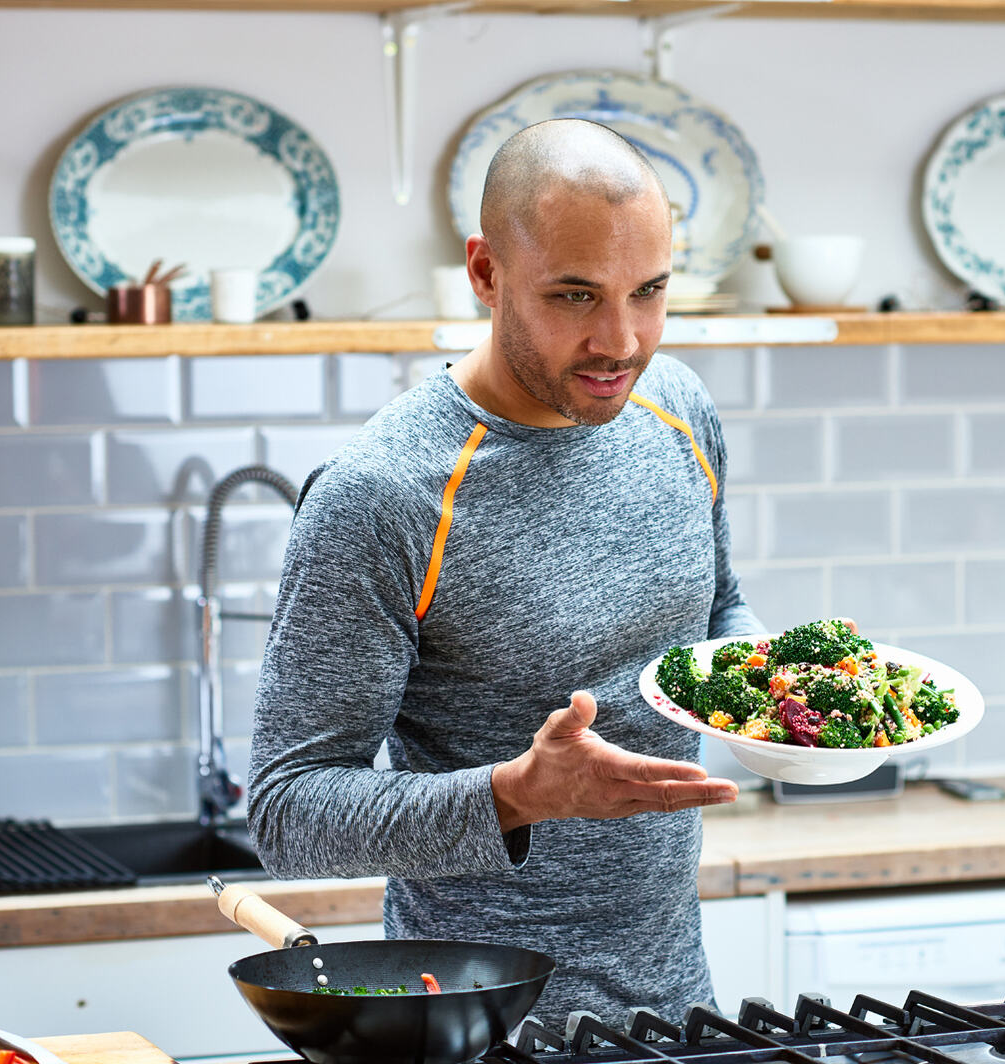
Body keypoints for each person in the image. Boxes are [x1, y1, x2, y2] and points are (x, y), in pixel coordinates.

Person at [247, 117, 763, 1029]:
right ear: (486, 273)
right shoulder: (386, 493)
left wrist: (784, 705)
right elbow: (289, 812)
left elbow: (719, 611)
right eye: (574, 296)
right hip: (475, 1027)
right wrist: (516, 794)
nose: (622, 342)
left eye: (649, 292)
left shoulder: (676, 405)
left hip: (676, 1017)